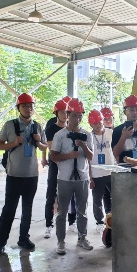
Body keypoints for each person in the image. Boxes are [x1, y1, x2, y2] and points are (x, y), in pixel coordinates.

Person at [0, 93, 46, 254]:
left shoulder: (37, 126)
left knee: (27, 209)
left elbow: (44, 147)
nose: (28, 109)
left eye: (30, 106)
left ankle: (24, 238)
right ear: (18, 108)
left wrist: (38, 141)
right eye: (24, 106)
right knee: (9, 209)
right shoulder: (10, 125)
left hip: (32, 175)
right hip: (14, 175)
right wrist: (13, 143)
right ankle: (0, 242)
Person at [49, 99, 95, 255]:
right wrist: (69, 155)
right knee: (62, 211)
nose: (77, 119)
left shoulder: (86, 135)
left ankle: (82, 237)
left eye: (80, 115)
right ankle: (61, 241)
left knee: (82, 211)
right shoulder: (60, 135)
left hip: (82, 177)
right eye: (74, 115)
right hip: (64, 179)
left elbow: (91, 156)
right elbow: (53, 156)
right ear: (67, 115)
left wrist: (83, 145)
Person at [43, 98, 70, 239]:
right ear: (56, 113)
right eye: (62, 112)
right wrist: (68, 154)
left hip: (69, 164)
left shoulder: (72, 127)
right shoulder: (51, 129)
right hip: (55, 164)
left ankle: (72, 221)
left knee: (70, 193)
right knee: (51, 193)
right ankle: (49, 224)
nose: (65, 115)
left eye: (67, 112)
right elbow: (53, 150)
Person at [88, 109, 114, 226]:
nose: (98, 125)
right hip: (96, 173)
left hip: (111, 171)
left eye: (99, 122)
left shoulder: (110, 132)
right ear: (90, 124)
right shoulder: (89, 137)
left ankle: (112, 217)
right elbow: (87, 159)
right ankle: (99, 222)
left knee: (115, 196)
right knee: (97, 200)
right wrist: (90, 177)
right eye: (95, 123)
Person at [112, 94, 137, 164]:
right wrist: (123, 137)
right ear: (125, 112)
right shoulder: (118, 130)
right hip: (124, 167)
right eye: (131, 110)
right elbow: (115, 154)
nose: (135, 113)